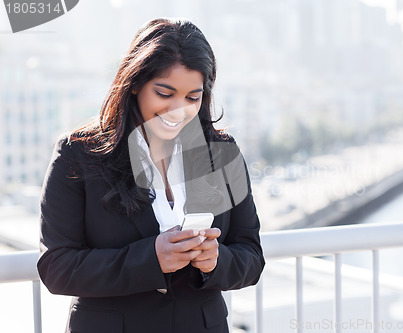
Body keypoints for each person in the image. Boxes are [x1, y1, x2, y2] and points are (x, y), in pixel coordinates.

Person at [37, 18, 265, 333]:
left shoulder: (220, 153)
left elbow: (251, 255)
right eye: (164, 93)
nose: (178, 110)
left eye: (192, 97)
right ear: (134, 84)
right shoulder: (79, 154)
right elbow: (57, 267)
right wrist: (151, 258)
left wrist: (216, 261)